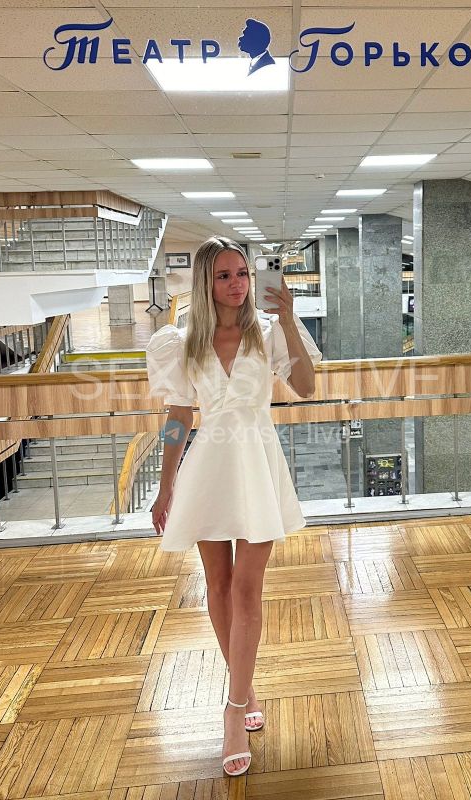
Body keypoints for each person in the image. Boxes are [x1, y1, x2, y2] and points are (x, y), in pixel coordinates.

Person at [146, 236, 322, 777]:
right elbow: (179, 416)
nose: (237, 283)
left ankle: (233, 709)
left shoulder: (268, 331)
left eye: (242, 273)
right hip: (208, 468)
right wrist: (165, 485)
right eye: (223, 275)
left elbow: (306, 387)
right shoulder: (181, 341)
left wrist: (288, 319)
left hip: (256, 464)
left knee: (248, 588)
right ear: (205, 282)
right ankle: (244, 688)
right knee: (218, 586)